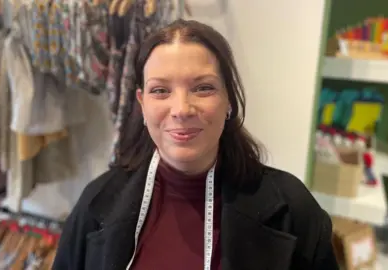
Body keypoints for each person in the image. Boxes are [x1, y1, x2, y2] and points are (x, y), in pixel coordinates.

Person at [52, 19, 339, 270]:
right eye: (160, 91)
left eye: (203, 88)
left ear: (229, 99)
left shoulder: (294, 211)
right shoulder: (96, 205)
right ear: (142, 103)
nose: (181, 109)